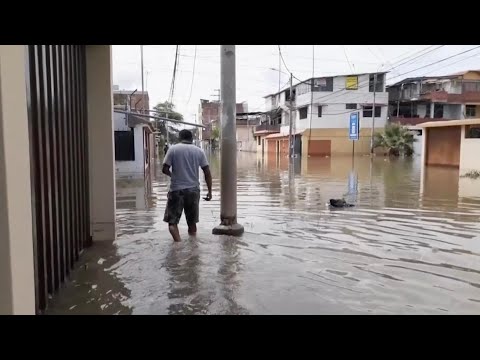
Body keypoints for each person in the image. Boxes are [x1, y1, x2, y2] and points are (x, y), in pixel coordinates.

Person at [162, 129, 212, 242]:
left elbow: (164, 169)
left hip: (176, 190)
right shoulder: (199, 151)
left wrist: (174, 176)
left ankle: (178, 245)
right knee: (192, 223)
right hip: (193, 190)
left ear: (180, 138)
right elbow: (207, 172)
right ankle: (193, 248)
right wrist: (210, 191)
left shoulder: (173, 149)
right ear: (191, 139)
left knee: (172, 223)